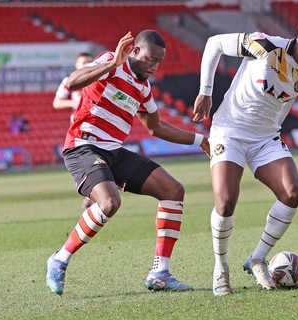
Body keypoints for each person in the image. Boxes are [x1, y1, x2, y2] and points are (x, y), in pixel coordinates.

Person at [46, 30, 210, 295]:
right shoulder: (111, 60)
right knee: (109, 203)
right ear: (135, 51)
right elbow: (74, 82)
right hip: (83, 146)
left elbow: (155, 128)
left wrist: (200, 139)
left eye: (159, 62)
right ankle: (59, 259)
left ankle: (160, 273)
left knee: (173, 190)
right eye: (150, 59)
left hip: (113, 151)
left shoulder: (143, 88)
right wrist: (111, 65)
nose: (155, 66)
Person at [193, 18, 298, 296]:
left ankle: (257, 258)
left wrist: (271, 135)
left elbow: (279, 110)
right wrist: (206, 92)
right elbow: (214, 44)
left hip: (265, 138)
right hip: (229, 132)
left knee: (292, 193)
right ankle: (220, 268)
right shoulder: (266, 46)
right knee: (225, 201)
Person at [53, 52, 94, 209]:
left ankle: (94, 196)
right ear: (77, 65)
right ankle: (93, 195)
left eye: (89, 62)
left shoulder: (97, 79)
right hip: (79, 130)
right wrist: (73, 103)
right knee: (87, 165)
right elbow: (57, 102)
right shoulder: (69, 81)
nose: (87, 65)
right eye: (83, 62)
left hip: (98, 127)